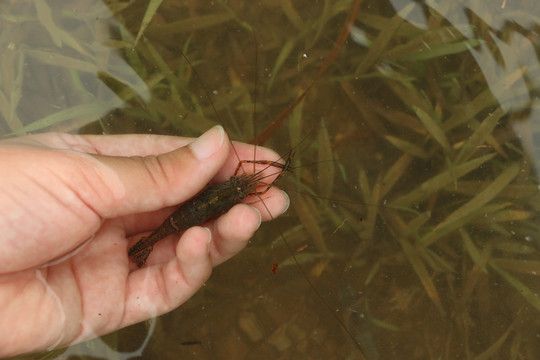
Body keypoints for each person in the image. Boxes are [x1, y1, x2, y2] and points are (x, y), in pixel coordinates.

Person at [0, 126, 289, 357]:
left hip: (181, 217)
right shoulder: (241, 189)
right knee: (232, 218)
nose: (247, 185)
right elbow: (234, 190)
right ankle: (147, 245)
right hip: (183, 219)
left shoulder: (237, 182)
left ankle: (147, 244)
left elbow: (235, 180)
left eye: (246, 188)